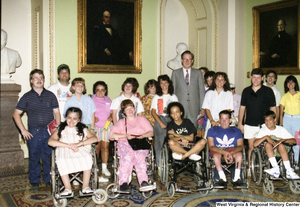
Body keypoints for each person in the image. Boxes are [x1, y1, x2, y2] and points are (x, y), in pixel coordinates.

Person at [13, 69, 60, 192]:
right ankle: (34, 181)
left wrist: (57, 129)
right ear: (31, 81)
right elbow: (16, 114)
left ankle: (49, 179)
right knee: (33, 157)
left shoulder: (51, 95)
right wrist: (23, 130)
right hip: (34, 132)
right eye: (36, 78)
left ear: (43, 80)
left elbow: (57, 112)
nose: (39, 80)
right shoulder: (26, 97)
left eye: (41, 78)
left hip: (49, 131)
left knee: (49, 157)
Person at [48, 107, 99, 195]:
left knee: (87, 157)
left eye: (75, 118)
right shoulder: (61, 128)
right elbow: (50, 141)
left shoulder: (83, 129)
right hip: (64, 149)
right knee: (61, 160)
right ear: (66, 118)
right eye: (69, 118)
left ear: (79, 120)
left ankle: (85, 187)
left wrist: (80, 143)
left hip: (80, 148)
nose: (71, 121)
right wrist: (68, 145)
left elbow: (94, 139)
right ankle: (67, 188)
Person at [109, 99, 155, 192]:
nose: (130, 111)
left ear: (135, 109)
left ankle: (144, 182)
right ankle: (123, 183)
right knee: (127, 156)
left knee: (140, 157)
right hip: (125, 142)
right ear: (124, 112)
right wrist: (125, 136)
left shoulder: (142, 119)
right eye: (127, 109)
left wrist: (143, 135)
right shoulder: (121, 122)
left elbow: (151, 132)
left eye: (132, 108)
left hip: (140, 142)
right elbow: (111, 136)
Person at [238, 68, 276, 169]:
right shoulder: (246, 91)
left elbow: (273, 108)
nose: (256, 80)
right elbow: (242, 108)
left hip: (264, 124)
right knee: (251, 147)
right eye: (254, 77)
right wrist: (240, 123)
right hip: (250, 124)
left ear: (262, 78)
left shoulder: (268, 91)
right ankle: (250, 167)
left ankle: (266, 168)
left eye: (258, 78)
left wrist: (274, 122)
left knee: (265, 147)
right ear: (251, 78)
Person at [254, 111, 300, 179]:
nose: (268, 122)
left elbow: (294, 141)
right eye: (266, 120)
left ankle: (289, 170)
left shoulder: (281, 129)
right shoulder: (263, 130)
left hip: (281, 150)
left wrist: (282, 140)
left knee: (281, 145)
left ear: (275, 120)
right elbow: (255, 144)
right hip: (268, 151)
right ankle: (276, 168)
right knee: (267, 144)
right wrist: (266, 137)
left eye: (270, 119)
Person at [207, 110, 246, 188]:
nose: (224, 121)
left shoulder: (237, 131)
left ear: (230, 120)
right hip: (218, 150)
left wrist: (230, 153)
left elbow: (240, 146)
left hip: (232, 150)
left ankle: (237, 178)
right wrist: (224, 153)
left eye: (226, 119)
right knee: (216, 155)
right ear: (219, 120)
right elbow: (211, 146)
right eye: (222, 119)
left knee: (239, 154)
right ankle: (222, 177)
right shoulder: (212, 130)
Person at [171, 50, 206, 127]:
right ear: (181, 60)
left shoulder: (198, 73)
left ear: (192, 61)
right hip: (179, 108)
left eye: (189, 59)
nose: (187, 61)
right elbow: (172, 92)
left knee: (192, 132)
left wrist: (202, 108)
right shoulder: (175, 73)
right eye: (185, 59)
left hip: (194, 109)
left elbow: (201, 91)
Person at [151, 75, 178, 168]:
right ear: (159, 84)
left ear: (169, 83)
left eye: (165, 82)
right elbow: (153, 112)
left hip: (171, 119)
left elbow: (177, 111)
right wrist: (161, 123)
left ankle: (172, 163)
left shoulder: (173, 96)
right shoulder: (156, 97)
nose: (164, 84)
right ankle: (159, 165)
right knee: (159, 143)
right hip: (160, 119)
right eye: (162, 83)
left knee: (173, 141)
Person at [92, 81, 112, 177]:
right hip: (95, 127)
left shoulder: (108, 99)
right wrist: (92, 118)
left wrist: (111, 117)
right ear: (95, 91)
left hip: (106, 127)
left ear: (105, 91)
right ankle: (94, 167)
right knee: (96, 148)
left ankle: (104, 168)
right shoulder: (91, 99)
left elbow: (112, 112)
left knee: (105, 148)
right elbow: (87, 112)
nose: (100, 92)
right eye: (98, 90)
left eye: (102, 90)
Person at [279, 75, 300, 169]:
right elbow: (281, 111)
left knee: (297, 142)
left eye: (292, 82)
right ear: (286, 85)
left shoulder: (299, 95)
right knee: (286, 141)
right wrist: (281, 123)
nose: (290, 84)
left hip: (297, 120)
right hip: (287, 119)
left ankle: (295, 163)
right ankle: (286, 164)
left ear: (295, 84)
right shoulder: (284, 96)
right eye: (288, 82)